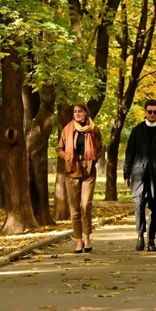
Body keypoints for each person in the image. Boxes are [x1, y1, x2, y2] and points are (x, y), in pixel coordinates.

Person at [124, 99, 156, 252]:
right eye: (149, 111)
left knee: (154, 209)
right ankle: (140, 236)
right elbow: (130, 153)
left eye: (155, 112)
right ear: (145, 112)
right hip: (139, 173)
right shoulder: (137, 130)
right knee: (139, 205)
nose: (152, 114)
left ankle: (151, 240)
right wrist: (126, 173)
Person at [56, 102, 102, 254]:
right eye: (75, 111)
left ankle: (87, 237)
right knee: (74, 208)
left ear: (86, 113)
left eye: (80, 111)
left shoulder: (94, 130)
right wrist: (67, 157)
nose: (77, 114)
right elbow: (59, 149)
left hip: (88, 169)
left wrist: (94, 158)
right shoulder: (67, 129)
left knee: (85, 205)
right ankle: (78, 240)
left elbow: (100, 148)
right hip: (72, 169)